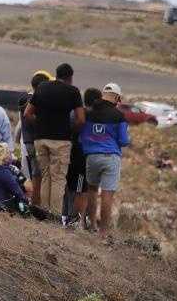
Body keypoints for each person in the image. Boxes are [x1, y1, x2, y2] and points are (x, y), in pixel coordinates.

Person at [24, 63, 85, 221]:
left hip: (40, 139)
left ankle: (44, 213)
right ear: (70, 77)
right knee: (58, 178)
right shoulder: (73, 91)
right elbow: (81, 119)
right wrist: (69, 130)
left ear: (56, 75)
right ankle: (55, 216)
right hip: (61, 141)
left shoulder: (42, 87)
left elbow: (27, 113)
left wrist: (40, 125)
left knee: (46, 176)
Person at [81, 82, 130, 238]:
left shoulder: (89, 112)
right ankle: (103, 232)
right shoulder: (119, 116)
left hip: (91, 156)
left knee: (92, 190)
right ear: (117, 98)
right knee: (107, 193)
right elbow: (124, 141)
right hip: (110, 156)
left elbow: (82, 135)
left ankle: (92, 225)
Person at [65, 88, 100, 228]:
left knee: (75, 188)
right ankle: (76, 219)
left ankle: (74, 217)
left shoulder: (76, 113)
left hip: (74, 154)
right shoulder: (93, 116)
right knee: (81, 190)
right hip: (82, 158)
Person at [17, 71, 51, 206]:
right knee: (38, 176)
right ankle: (36, 205)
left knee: (33, 175)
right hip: (35, 141)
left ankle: (33, 203)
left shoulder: (24, 99)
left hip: (27, 142)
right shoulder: (34, 101)